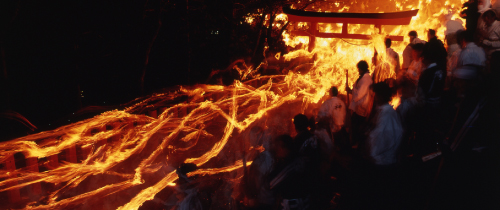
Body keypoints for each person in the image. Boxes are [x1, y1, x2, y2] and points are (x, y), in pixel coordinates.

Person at [347, 60, 374, 147]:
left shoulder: (366, 79)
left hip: (361, 108)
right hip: (358, 107)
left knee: (358, 128)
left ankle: (358, 145)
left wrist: (353, 90)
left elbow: (359, 95)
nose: (358, 70)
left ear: (361, 69)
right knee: (355, 126)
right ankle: (356, 144)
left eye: (358, 69)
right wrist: (350, 90)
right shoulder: (362, 77)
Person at [453, 30, 486, 97]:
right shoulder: (481, 50)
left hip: (466, 87)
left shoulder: (462, 53)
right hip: (480, 84)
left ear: (463, 40)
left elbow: (458, 69)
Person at [479, 9, 500, 76]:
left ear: (492, 17)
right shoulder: (486, 27)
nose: (485, 22)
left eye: (487, 19)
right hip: (488, 56)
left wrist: (488, 43)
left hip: (497, 57)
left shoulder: (498, 27)